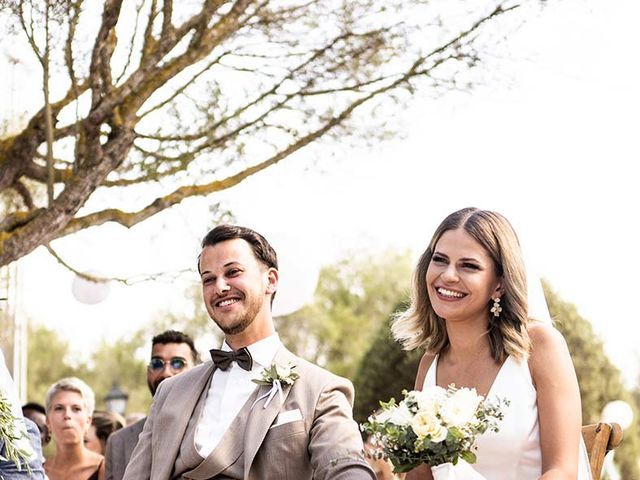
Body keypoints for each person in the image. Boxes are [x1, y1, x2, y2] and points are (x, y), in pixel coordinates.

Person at [123, 224, 374, 479]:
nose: (219, 287)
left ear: (271, 280)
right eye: (208, 279)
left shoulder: (321, 389)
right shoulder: (169, 392)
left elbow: (346, 465)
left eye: (233, 272)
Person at [392, 208, 588, 480]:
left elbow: (562, 471)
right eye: (440, 260)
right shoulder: (430, 363)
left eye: (468, 265)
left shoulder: (541, 347)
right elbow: (418, 477)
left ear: (499, 285)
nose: (448, 275)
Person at [105, 330, 199, 480]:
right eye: (157, 363)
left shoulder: (210, 428)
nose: (166, 373)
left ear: (197, 370)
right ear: (148, 371)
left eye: (177, 363)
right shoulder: (118, 442)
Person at [44, 377, 105, 480]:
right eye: (59, 408)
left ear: (88, 421)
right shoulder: (38, 471)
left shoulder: (104, 468)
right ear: (48, 421)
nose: (67, 415)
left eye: (76, 409)